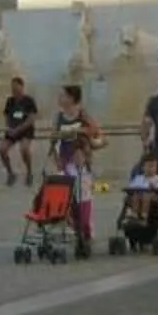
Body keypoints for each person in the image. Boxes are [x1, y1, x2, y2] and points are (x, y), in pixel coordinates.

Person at [49, 84, 103, 254]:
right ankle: (76, 227)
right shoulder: (59, 117)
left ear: (72, 98)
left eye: (63, 95)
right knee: (68, 199)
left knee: (83, 199)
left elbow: (95, 130)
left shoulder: (82, 114)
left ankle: (86, 230)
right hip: (66, 160)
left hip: (81, 161)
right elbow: (53, 138)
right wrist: (56, 158)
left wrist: (79, 130)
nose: (60, 98)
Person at [0, 77, 40, 186]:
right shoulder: (10, 101)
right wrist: (9, 128)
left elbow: (31, 119)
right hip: (12, 129)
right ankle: (10, 173)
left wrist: (19, 129)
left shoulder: (29, 101)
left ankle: (29, 172)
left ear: (22, 87)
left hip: (25, 130)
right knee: (2, 149)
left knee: (24, 149)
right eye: (12, 88)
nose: (14, 90)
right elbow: (7, 116)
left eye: (16, 87)